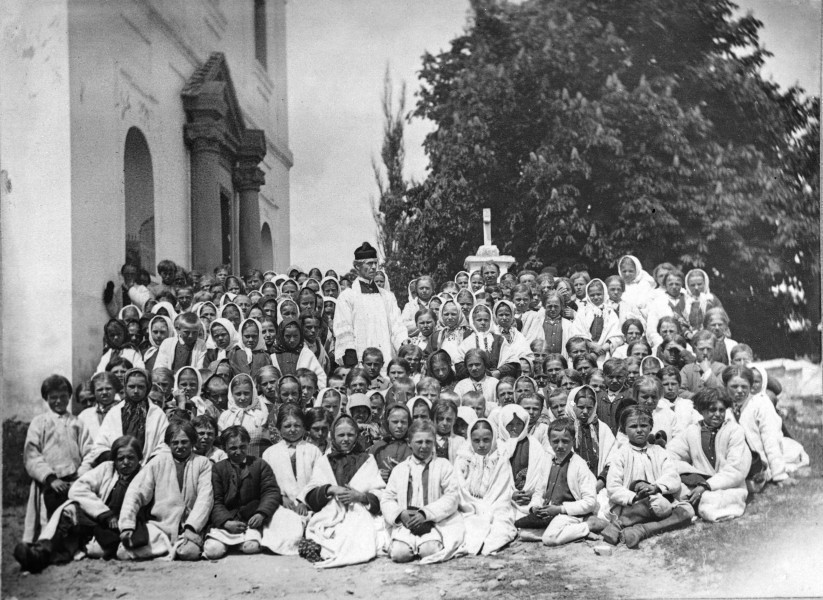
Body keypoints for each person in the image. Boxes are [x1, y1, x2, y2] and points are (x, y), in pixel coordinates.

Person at [14, 435, 145, 573]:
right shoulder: (108, 468)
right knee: (69, 510)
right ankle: (40, 552)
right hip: (101, 518)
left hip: (123, 526)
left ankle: (54, 555)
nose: (125, 462)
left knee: (97, 549)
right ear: (114, 459)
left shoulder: (144, 474)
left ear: (139, 458)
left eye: (131, 458)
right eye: (120, 458)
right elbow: (77, 488)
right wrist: (104, 513)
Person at [117, 420, 214, 561]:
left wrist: (191, 528)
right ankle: (164, 548)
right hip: (160, 526)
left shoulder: (202, 463)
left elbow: (205, 498)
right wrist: (127, 525)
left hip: (188, 527)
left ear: (192, 442)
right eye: (175, 443)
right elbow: (135, 492)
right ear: (168, 444)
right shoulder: (158, 461)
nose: (180, 446)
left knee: (189, 553)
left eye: (184, 442)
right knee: (123, 553)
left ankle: (167, 549)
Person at [300, 416, 386, 567]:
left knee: (361, 532)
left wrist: (360, 496)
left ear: (357, 436)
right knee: (330, 535)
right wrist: (330, 489)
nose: (346, 439)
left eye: (350, 435)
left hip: (359, 511)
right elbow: (311, 494)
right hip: (332, 513)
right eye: (341, 435)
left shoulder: (367, 459)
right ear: (333, 436)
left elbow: (379, 492)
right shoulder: (324, 461)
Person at [601, 407, 692, 548]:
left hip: (660, 499)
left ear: (651, 427)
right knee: (656, 506)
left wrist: (656, 487)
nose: (639, 430)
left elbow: (672, 476)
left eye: (643, 425)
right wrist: (634, 497)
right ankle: (624, 522)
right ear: (624, 430)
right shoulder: (620, 454)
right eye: (633, 426)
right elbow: (613, 488)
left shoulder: (659, 451)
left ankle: (640, 530)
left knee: (687, 512)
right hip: (632, 505)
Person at [22, 376, 94, 545]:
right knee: (46, 520)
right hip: (49, 483)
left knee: (71, 516)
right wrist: (50, 478)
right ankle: (43, 547)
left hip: (72, 480)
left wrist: (80, 474)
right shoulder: (40, 423)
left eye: (63, 396)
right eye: (53, 397)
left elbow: (89, 451)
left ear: (69, 396)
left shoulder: (77, 423)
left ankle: (70, 547)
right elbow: (31, 454)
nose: (58, 401)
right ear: (46, 398)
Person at [381, 420, 465, 564]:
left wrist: (426, 514)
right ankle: (403, 545)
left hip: (433, 522)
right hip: (406, 522)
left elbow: (452, 497)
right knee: (400, 554)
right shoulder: (400, 469)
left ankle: (424, 545)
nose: (424, 446)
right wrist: (400, 514)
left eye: (428, 442)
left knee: (430, 551)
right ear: (409, 443)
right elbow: (387, 499)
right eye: (419, 442)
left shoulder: (443, 465)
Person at [667, 388, 751, 522]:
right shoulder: (692, 431)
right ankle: (692, 506)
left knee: (710, 500)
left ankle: (691, 508)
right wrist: (691, 474)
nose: (718, 414)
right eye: (712, 410)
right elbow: (669, 455)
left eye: (722, 410)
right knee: (676, 487)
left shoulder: (734, 431)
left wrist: (707, 485)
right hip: (700, 483)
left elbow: (736, 470)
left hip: (728, 486)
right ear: (702, 411)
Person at [202, 426, 282, 560]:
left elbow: (271, 491)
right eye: (233, 448)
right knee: (212, 551)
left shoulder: (260, 464)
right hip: (226, 523)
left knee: (251, 547)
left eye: (243, 447)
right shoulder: (218, 468)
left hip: (250, 522)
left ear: (248, 445)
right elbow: (215, 500)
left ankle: (240, 544)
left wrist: (261, 513)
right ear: (224, 448)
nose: (238, 452)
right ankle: (226, 543)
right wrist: (226, 522)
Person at [517, 418, 598, 546]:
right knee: (523, 533)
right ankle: (571, 533)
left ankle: (589, 525)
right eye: (555, 441)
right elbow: (539, 492)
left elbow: (590, 502)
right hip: (549, 512)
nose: (560, 446)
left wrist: (560, 509)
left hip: (568, 514)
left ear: (573, 441)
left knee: (549, 539)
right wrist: (535, 507)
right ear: (549, 441)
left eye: (565, 441)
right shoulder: (548, 461)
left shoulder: (579, 464)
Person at [79, 369, 168, 475]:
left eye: (140, 387)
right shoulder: (114, 413)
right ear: (125, 387)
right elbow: (100, 445)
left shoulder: (157, 414)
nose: (135, 391)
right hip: (117, 471)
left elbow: (163, 446)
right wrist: (118, 461)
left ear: (147, 388)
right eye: (131, 386)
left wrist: (148, 466)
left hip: (148, 471)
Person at [334, 242, 407, 370]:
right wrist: (352, 364)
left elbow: (397, 325)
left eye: (375, 263)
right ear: (357, 266)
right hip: (360, 361)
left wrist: (404, 344)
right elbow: (345, 330)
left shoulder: (387, 296)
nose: (374, 267)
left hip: (385, 357)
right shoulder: (347, 297)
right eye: (369, 263)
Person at [454, 418, 517, 556]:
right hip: (470, 506)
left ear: (493, 438)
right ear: (470, 440)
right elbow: (461, 490)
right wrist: (475, 505)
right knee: (465, 527)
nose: (481, 445)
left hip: (496, 505)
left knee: (501, 527)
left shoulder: (500, 458)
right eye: (476, 441)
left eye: (486, 440)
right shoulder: (463, 458)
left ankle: (487, 545)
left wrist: (489, 506)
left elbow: (502, 489)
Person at [495, 404, 548, 522]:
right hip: (504, 500)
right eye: (510, 424)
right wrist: (510, 495)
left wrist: (531, 493)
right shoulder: (497, 447)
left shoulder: (535, 446)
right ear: (503, 425)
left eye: (519, 424)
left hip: (531, 499)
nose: (514, 428)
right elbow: (493, 480)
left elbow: (542, 475)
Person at [218, 374, 270, 458]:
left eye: (246, 393)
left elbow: (265, 441)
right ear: (231, 394)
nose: (242, 398)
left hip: (255, 458)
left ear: (253, 393)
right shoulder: (225, 416)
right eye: (238, 394)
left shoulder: (260, 415)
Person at [571, 280, 623, 362]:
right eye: (592, 295)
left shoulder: (610, 312)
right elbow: (577, 331)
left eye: (599, 294)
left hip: (604, 351)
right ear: (588, 295)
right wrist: (591, 345)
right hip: (586, 350)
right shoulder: (583, 311)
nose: (595, 297)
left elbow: (616, 335)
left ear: (604, 294)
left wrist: (602, 348)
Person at [270, 319, 327, 388]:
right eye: (288, 336)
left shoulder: (307, 354)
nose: (292, 340)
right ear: (281, 336)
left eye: (295, 336)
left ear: (301, 335)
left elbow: (321, 378)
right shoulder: (273, 355)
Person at [369, 404, 413, 481]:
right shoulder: (378, 448)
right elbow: (366, 474)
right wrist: (377, 475)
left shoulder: (413, 446)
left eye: (403, 422)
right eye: (395, 422)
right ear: (387, 422)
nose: (399, 425)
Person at [78, 372, 121, 441]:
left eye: (108, 388)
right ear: (94, 392)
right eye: (100, 390)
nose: (104, 392)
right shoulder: (84, 415)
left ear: (115, 389)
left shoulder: (124, 410)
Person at [680, 330, 726, 395]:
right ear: (694, 349)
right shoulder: (687, 369)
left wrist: (708, 371)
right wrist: (698, 398)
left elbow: (720, 391)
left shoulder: (721, 368)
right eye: (701, 349)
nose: (705, 353)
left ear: (714, 349)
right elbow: (680, 391)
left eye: (709, 349)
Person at [683, 269, 723, 334]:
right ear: (687, 285)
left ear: (705, 283)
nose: (696, 288)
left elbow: (722, 320)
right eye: (692, 285)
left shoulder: (712, 299)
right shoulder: (683, 300)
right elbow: (678, 322)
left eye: (699, 284)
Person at [433, 399, 466, 463]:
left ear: (455, 420)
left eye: (449, 419)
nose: (445, 423)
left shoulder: (460, 441)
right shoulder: (428, 439)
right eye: (440, 419)